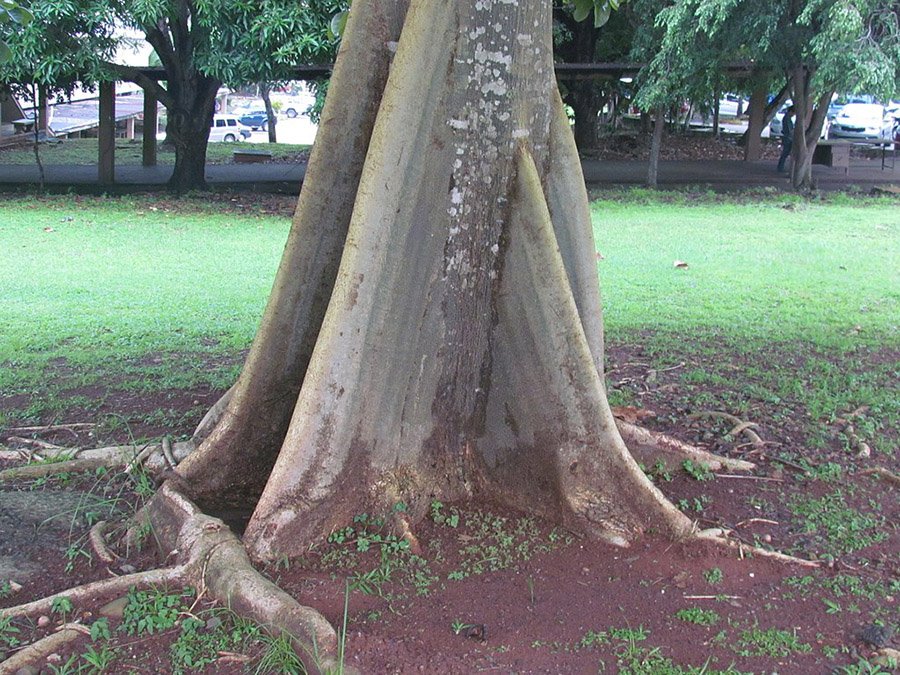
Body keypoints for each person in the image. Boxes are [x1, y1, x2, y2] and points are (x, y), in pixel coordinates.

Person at [777, 106, 795, 173]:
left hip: (788, 137)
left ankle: (780, 167)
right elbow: (789, 130)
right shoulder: (787, 118)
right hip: (788, 138)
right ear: (791, 112)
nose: (793, 115)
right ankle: (780, 168)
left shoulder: (787, 118)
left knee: (785, 153)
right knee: (785, 153)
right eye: (793, 113)